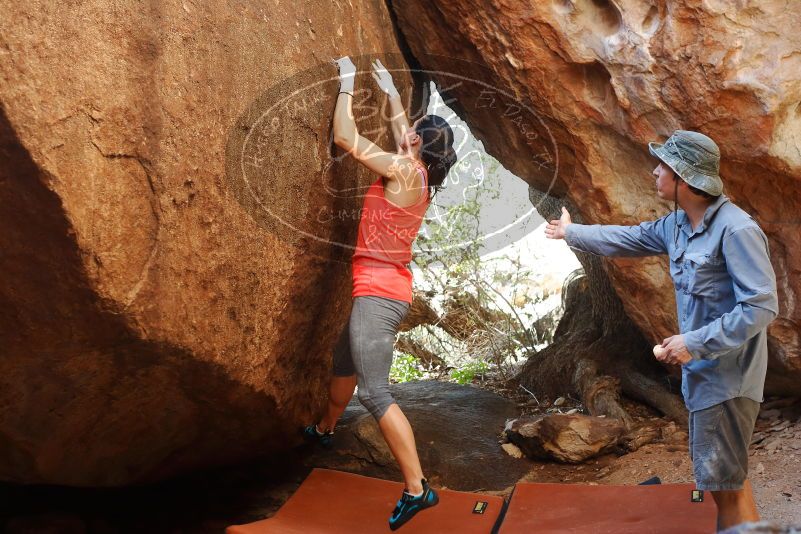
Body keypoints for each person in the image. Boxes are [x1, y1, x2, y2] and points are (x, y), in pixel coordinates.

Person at [545, 130, 778, 532]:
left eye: (663, 166)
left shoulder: (737, 230)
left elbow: (760, 305)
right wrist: (571, 232)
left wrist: (694, 342)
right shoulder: (677, 225)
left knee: (730, 487)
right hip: (704, 379)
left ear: (684, 178)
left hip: (730, 379)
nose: (655, 171)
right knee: (725, 484)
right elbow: (628, 237)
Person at [302, 56, 456, 531]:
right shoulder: (417, 172)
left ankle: (417, 489)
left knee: (374, 392)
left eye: (414, 132)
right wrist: (390, 90)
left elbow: (347, 139)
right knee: (343, 361)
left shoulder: (404, 172)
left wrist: (347, 86)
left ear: (417, 144)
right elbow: (402, 130)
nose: (406, 132)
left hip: (379, 295)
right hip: (383, 289)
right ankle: (325, 430)